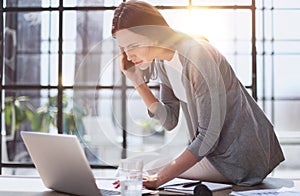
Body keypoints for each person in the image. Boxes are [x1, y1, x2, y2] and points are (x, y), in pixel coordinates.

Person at [111, 0, 284, 189]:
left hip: (240, 157)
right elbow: (170, 120)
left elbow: (208, 136)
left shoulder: (196, 54)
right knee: (137, 167)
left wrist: (159, 179)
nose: (128, 56)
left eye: (133, 45)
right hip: (215, 156)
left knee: (145, 169)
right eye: (124, 48)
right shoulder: (162, 63)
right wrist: (138, 83)